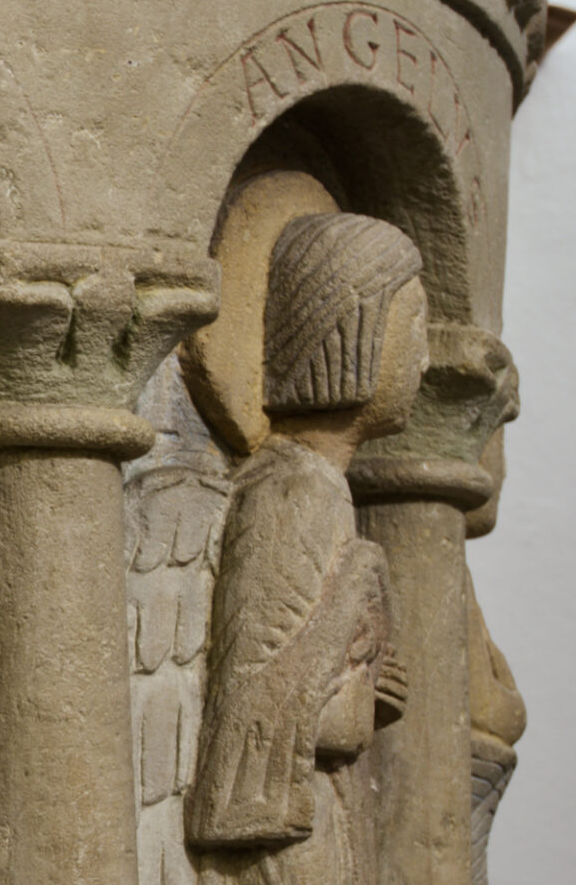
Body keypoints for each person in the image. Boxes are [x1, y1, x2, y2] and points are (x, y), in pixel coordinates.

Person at [187, 212, 427, 885]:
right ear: (352, 333)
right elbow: (249, 706)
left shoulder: (320, 486)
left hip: (317, 808)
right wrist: (357, 690)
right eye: (413, 328)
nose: (423, 359)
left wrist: (367, 679)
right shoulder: (295, 490)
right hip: (282, 837)